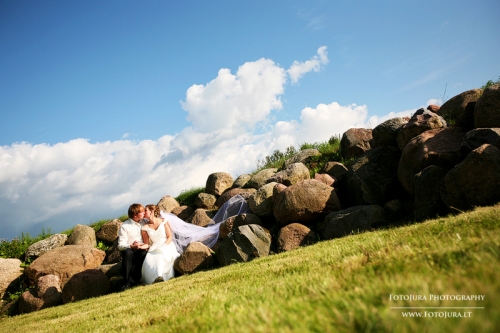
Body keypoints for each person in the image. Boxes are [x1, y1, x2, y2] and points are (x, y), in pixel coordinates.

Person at [140, 204, 181, 284]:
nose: (144, 212)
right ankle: (156, 277)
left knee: (161, 255)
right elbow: (146, 243)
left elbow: (169, 237)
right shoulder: (145, 227)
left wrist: (164, 245)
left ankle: (159, 276)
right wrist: (138, 246)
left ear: (152, 211)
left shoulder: (163, 221)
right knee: (150, 260)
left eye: (145, 210)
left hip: (166, 244)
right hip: (154, 247)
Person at [117, 203, 149, 291]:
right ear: (135, 215)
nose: (144, 213)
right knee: (128, 253)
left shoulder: (144, 222)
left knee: (145, 253)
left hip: (142, 248)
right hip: (130, 249)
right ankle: (126, 282)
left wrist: (141, 245)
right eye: (141, 212)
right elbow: (120, 245)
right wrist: (131, 245)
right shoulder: (125, 226)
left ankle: (132, 281)